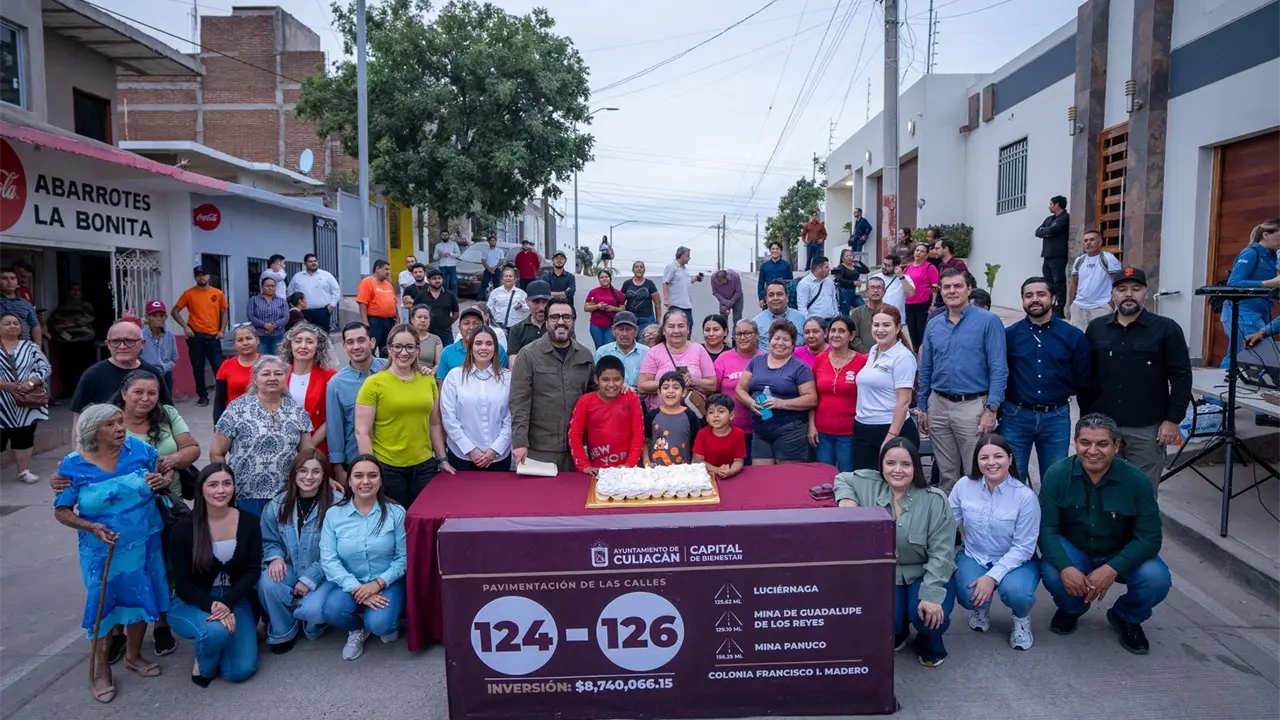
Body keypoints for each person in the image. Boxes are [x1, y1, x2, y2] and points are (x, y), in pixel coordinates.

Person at [53, 404, 169, 702]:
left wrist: (162, 481)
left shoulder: (141, 451)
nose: (120, 428)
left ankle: (133, 656)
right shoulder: (74, 464)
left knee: (143, 595)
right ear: (93, 431)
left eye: (120, 422)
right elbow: (62, 510)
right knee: (103, 604)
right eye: (111, 425)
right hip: (102, 550)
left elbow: (162, 478)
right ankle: (101, 668)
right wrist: (90, 526)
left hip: (145, 541)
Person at [1039, 414, 1171, 655]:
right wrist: (1067, 568)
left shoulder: (1137, 481)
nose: (1092, 451)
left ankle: (1127, 617)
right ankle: (1072, 608)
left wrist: (1113, 568)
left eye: (1102, 444)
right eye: (1085, 443)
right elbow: (1046, 530)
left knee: (1156, 578)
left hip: (1120, 551)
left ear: (1116, 446)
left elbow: (1150, 538)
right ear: (1075, 442)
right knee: (1052, 570)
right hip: (1076, 549)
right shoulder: (1057, 475)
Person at [835, 438, 956, 667]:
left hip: (924, 571)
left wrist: (931, 595)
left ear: (916, 467)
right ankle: (897, 634)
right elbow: (841, 478)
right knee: (883, 620)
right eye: (890, 463)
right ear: (882, 465)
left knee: (928, 617)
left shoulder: (934, 500)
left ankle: (929, 644)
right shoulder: (869, 483)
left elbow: (942, 554)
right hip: (887, 573)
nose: (897, 470)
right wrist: (846, 498)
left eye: (906, 464)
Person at [1080, 268, 1192, 491]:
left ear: (1146, 293)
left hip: (1147, 428)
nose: (1128, 294)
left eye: (1135, 289)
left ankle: (1139, 528)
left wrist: (1172, 420)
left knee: (1142, 492)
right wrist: (1086, 420)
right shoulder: (1096, 329)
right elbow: (1086, 377)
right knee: (1101, 487)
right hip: (1103, 427)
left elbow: (1181, 377)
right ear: (1113, 294)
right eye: (1122, 289)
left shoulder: (1166, 329)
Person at [168, 464, 262, 686]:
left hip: (235, 598)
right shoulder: (183, 528)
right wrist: (212, 605)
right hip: (194, 601)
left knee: (240, 671)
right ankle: (205, 661)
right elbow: (182, 584)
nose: (221, 490)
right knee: (215, 632)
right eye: (213, 485)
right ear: (201, 489)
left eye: (226, 483)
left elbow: (252, 571)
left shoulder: (249, 521)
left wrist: (227, 603)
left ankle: (230, 640)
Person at [917, 269, 1008, 491]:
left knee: (975, 472)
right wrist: (922, 406)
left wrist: (991, 409)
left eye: (958, 286)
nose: (952, 291)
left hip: (972, 408)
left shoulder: (988, 321)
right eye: (946, 287)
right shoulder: (934, 324)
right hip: (938, 405)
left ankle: (976, 526)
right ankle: (951, 525)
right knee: (947, 476)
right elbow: (926, 368)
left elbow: (999, 368)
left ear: (969, 289)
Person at [950, 434, 1040, 651]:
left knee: (1017, 593)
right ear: (976, 461)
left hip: (1015, 560)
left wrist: (991, 577)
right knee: (967, 594)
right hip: (975, 555)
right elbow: (947, 523)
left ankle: (1020, 618)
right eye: (984, 458)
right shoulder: (964, 485)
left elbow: (1024, 547)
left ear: (1010, 459)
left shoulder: (1025, 497)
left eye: (998, 456)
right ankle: (981, 606)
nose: (991, 463)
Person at [317, 455, 408, 661]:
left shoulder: (396, 513)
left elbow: (404, 557)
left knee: (381, 625)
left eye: (372, 476)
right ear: (349, 481)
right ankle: (357, 630)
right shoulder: (334, 515)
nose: (365, 481)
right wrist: (358, 588)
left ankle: (383, 622)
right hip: (351, 581)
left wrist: (377, 584)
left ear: (381, 480)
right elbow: (329, 560)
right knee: (331, 611)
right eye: (358, 476)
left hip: (387, 581)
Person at [1003, 277, 1090, 489]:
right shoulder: (1009, 336)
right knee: (1013, 478)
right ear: (1022, 300)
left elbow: (1083, 377)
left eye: (1041, 294)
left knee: (1056, 480)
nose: (1035, 300)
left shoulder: (1073, 336)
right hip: (1016, 416)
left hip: (1056, 417)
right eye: (1028, 295)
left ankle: (1049, 523)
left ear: (1053, 298)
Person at [356, 325, 453, 506]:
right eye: (398, 346)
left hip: (424, 466)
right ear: (390, 349)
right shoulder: (374, 383)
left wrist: (442, 459)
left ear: (417, 350)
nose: (403, 352)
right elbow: (362, 431)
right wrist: (370, 469)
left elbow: (434, 424)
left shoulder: (427, 380)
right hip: (388, 467)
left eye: (410, 347)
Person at [258, 449, 340, 654]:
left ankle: (314, 622)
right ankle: (283, 629)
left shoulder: (337, 504)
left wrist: (310, 579)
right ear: (294, 473)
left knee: (312, 610)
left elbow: (339, 551)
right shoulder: (277, 504)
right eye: (303, 471)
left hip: (325, 573)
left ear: (324, 476)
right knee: (268, 582)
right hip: (292, 566)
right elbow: (269, 539)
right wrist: (275, 557)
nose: (309, 477)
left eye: (316, 472)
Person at [211, 356, 313, 516]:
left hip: (285, 494)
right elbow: (217, 452)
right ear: (255, 379)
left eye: (278, 374)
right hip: (245, 494)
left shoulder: (296, 411)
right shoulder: (237, 408)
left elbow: (307, 455)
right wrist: (225, 485)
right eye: (266, 374)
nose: (272, 378)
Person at [510, 298, 597, 471]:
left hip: (576, 449)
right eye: (555, 317)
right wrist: (519, 442)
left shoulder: (585, 355)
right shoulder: (528, 355)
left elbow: (594, 398)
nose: (561, 322)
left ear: (573, 320)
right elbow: (519, 402)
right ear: (547, 320)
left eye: (566, 317)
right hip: (540, 449)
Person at [71, 322, 172, 443]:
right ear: (108, 344)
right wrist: (77, 457)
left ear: (142, 343)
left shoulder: (152, 373)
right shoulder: (93, 375)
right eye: (115, 341)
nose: (122, 346)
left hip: (149, 443)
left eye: (129, 341)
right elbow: (79, 421)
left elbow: (167, 413)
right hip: (105, 447)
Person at [736, 319, 817, 466]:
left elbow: (811, 399)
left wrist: (780, 403)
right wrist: (750, 402)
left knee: (786, 479)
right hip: (760, 430)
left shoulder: (800, 368)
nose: (780, 343)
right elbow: (740, 389)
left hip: (790, 431)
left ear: (793, 344)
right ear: (770, 340)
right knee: (761, 478)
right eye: (777, 338)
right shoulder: (756, 361)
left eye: (786, 339)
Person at [854, 306, 921, 470]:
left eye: (886, 325)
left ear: (898, 328)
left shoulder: (903, 357)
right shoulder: (873, 350)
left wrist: (891, 436)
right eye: (876, 325)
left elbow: (904, 401)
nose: (880, 330)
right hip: (863, 427)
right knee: (867, 484)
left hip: (889, 429)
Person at [440, 327, 513, 472]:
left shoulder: (507, 377)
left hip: (498, 456)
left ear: (496, 348)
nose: (484, 348)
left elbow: (511, 417)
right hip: (462, 456)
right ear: (471, 347)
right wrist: (470, 449)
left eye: (489, 343)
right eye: (478, 343)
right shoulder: (455, 376)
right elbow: (449, 417)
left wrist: (495, 449)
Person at [326, 323, 387, 486]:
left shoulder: (390, 370)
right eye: (350, 342)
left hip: (393, 459)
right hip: (357, 461)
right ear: (344, 346)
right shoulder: (336, 383)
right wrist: (338, 468)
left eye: (361, 340)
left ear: (372, 342)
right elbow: (335, 427)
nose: (356, 346)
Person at [568, 355, 644, 474]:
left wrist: (629, 464)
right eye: (605, 380)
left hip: (626, 470)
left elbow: (638, 433)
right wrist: (584, 465)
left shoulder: (631, 398)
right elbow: (574, 434)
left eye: (617, 379)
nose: (611, 384)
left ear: (623, 379)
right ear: (596, 379)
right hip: (596, 470)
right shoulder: (585, 401)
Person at [808, 316, 866, 473]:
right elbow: (813, 397)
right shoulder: (820, 359)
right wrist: (811, 426)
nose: (836, 335)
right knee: (824, 476)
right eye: (833, 330)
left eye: (842, 331)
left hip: (849, 433)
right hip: (822, 432)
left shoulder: (862, 361)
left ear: (852, 336)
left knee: (846, 476)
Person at [0, 312, 50, 483]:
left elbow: (45, 368)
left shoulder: (30, 347)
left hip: (26, 400)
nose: (12, 326)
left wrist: (30, 383)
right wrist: (4, 385)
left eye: (16, 323)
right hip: (2, 401)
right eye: (7, 323)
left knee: (25, 435)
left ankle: (23, 471)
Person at [638, 308, 717, 411]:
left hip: (693, 415)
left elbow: (712, 385)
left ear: (688, 329)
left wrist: (692, 381)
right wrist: (670, 383)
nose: (676, 331)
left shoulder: (699, 350)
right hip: (660, 415)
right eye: (671, 326)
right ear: (663, 330)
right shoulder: (654, 352)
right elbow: (642, 386)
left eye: (681, 326)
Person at [172, 265, 228, 408]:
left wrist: (222, 330)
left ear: (209, 276)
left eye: (204, 274)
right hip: (195, 336)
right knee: (198, 367)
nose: (201, 277)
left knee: (219, 367)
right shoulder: (189, 294)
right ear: (195, 277)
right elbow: (175, 311)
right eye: (198, 275)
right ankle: (202, 396)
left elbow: (224, 311)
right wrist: (185, 326)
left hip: (213, 336)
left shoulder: (218, 293)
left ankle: (224, 395)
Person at [279, 323, 336, 455]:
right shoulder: (279, 374)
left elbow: (332, 418)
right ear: (290, 345)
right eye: (298, 341)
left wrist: (307, 447)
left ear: (318, 346)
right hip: (283, 446)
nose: (303, 346)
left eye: (309, 341)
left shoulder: (330, 376)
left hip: (316, 447)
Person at [1230, 219, 1280, 361]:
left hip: (1263, 309)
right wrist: (1269, 283)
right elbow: (1233, 283)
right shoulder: (1250, 253)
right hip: (1244, 310)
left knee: (1237, 353)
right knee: (1259, 350)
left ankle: (1222, 379)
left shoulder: (1273, 257)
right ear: (1266, 235)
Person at [715, 320, 761, 460]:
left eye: (747, 333)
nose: (742, 337)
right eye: (739, 334)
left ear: (757, 335)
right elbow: (713, 389)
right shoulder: (724, 358)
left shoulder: (764, 359)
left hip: (757, 430)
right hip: (728, 429)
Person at [1066, 230, 1122, 331]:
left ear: (1100, 242)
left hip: (1101, 307)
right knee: (1079, 340)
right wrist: (1071, 305)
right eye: (1085, 240)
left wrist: (1111, 304)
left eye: (1092, 240)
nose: (1088, 243)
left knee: (1100, 339)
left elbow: (1118, 282)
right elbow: (1073, 283)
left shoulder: (1108, 258)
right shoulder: (1079, 260)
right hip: (1079, 307)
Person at [47, 283, 96, 396]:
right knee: (67, 368)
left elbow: (87, 319)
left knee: (84, 367)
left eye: (78, 290)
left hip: (84, 341)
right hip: (66, 343)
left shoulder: (86, 306)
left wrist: (67, 324)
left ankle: (85, 391)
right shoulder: (61, 308)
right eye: (73, 290)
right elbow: (56, 322)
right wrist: (72, 324)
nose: (75, 292)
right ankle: (68, 392)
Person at [436, 307, 510, 380]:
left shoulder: (496, 349)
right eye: (466, 323)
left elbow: (504, 378)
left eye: (476, 323)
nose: (471, 327)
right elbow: (442, 384)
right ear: (459, 328)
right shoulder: (447, 352)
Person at [645, 372, 702, 466]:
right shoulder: (652, 415)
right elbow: (645, 442)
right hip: (656, 472)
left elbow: (698, 444)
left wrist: (693, 466)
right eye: (665, 387)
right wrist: (646, 462)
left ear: (683, 392)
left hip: (683, 472)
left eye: (676, 387)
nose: (670, 391)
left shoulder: (690, 416)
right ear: (659, 392)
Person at [213, 325, 261, 422]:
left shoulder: (268, 364)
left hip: (263, 419)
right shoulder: (226, 365)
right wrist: (217, 426)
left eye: (249, 338)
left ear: (257, 340)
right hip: (234, 419)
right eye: (240, 340)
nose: (245, 343)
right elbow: (219, 400)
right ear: (234, 345)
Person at [694, 394, 746, 479]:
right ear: (707, 417)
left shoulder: (738, 433)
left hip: (731, 476)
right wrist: (717, 470)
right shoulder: (702, 433)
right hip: (707, 476)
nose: (715, 415)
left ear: (731, 415)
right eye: (711, 412)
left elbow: (739, 461)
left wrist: (731, 471)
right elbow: (699, 461)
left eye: (721, 411)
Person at [1035, 195, 1071, 317]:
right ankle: (1049, 305)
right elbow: (1038, 232)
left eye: (1051, 204)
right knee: (1048, 282)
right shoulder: (1049, 219)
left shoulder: (1065, 218)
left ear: (1057, 205)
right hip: (1047, 255)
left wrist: (1047, 231)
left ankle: (1059, 308)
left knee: (1059, 282)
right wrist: (1048, 231)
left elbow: (1052, 230)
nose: (1049, 207)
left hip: (1058, 255)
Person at [594, 311, 648, 389]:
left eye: (628, 329)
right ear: (613, 331)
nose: (624, 334)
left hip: (640, 397)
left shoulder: (647, 353)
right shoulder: (602, 352)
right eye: (621, 329)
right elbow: (596, 381)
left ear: (636, 331)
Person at [288, 253, 341, 332]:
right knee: (305, 334)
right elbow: (290, 291)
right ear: (305, 263)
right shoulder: (298, 276)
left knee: (323, 336)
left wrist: (332, 305)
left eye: (315, 261)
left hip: (322, 312)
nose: (314, 263)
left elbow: (336, 290)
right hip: (303, 312)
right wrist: (294, 307)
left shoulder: (326, 275)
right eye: (310, 261)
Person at [752, 281, 806, 352]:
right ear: (766, 299)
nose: (775, 298)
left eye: (779, 294)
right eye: (771, 295)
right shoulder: (756, 322)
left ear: (787, 297)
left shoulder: (801, 319)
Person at [357, 260, 399, 355]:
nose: (388, 272)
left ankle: (385, 367)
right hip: (375, 322)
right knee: (371, 347)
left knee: (387, 349)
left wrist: (398, 318)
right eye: (386, 269)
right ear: (377, 269)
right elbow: (362, 303)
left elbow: (394, 302)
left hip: (389, 321)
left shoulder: (388, 285)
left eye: (389, 269)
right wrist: (364, 322)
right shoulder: (367, 282)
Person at [904, 244, 940, 350]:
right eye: (917, 250)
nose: (918, 253)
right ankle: (916, 352)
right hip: (909, 303)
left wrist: (933, 303)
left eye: (922, 251)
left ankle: (923, 353)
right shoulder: (907, 268)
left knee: (922, 331)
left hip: (923, 303)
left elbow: (935, 286)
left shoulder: (930, 267)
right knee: (912, 330)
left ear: (927, 254)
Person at [412, 267, 460, 346]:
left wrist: (447, 323)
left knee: (448, 355)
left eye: (439, 278)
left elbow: (456, 314)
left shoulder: (450, 295)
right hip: (426, 333)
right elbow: (413, 313)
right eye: (434, 278)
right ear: (428, 280)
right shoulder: (421, 296)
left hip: (446, 334)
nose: (437, 280)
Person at [139, 301, 178, 393]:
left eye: (161, 316)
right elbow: (137, 356)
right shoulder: (140, 335)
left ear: (165, 317)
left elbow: (173, 356)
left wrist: (167, 366)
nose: (158, 319)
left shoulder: (170, 335)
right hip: (147, 375)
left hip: (166, 374)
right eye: (154, 316)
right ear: (147, 317)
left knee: (167, 403)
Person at [662, 246, 703, 329]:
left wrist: (696, 278)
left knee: (688, 326)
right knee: (677, 327)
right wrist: (666, 299)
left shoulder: (685, 269)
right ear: (682, 255)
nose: (689, 258)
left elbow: (686, 282)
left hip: (687, 303)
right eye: (688, 256)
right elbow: (665, 282)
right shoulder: (671, 266)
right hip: (676, 304)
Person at [247, 277, 289, 356]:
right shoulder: (254, 300)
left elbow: (286, 317)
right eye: (267, 286)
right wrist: (264, 325)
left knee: (277, 359)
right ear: (262, 287)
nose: (270, 288)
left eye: (272, 286)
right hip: (259, 336)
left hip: (277, 336)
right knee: (262, 360)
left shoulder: (281, 301)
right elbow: (251, 316)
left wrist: (273, 326)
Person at [585, 270, 626, 348]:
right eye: (602, 277)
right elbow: (586, 308)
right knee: (599, 347)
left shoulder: (617, 293)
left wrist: (613, 308)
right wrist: (597, 306)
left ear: (610, 278)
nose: (604, 279)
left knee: (609, 347)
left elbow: (623, 309)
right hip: (596, 325)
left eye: (606, 277)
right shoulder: (593, 292)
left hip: (611, 325)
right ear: (599, 279)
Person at [0, 268, 41, 343]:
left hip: (23, 346)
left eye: (12, 278)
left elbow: (35, 326)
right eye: (4, 278)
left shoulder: (26, 304)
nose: (9, 281)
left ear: (17, 283)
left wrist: (37, 349)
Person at [930, 238, 969, 316]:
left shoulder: (958, 264)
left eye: (937, 248)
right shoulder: (941, 266)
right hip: (942, 303)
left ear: (946, 249)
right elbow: (939, 286)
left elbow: (966, 283)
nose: (934, 251)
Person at [871, 253, 913, 321]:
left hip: (896, 317)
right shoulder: (876, 277)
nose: (884, 267)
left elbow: (911, 293)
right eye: (884, 264)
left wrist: (901, 277)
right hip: (878, 315)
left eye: (888, 265)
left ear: (896, 267)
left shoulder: (905, 278)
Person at [796, 255, 839, 321]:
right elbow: (802, 307)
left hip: (831, 321)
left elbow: (833, 300)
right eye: (826, 267)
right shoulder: (804, 284)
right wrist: (808, 323)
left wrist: (836, 318)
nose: (829, 269)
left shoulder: (829, 282)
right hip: (815, 323)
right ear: (818, 269)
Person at [622, 261, 662, 331]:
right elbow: (621, 301)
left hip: (647, 319)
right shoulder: (627, 284)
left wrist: (658, 319)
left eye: (641, 267)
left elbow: (657, 302)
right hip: (630, 318)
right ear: (633, 270)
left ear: (644, 270)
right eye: (636, 267)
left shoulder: (650, 283)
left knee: (646, 340)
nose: (639, 269)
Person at [851, 276, 886, 354]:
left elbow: (895, 336)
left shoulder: (891, 311)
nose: (875, 290)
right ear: (866, 292)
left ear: (884, 292)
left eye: (879, 287)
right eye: (872, 287)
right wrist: (867, 354)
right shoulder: (856, 313)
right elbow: (853, 337)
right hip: (863, 356)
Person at [488, 267, 530, 331]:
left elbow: (528, 310)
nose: (508, 278)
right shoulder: (495, 293)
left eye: (510, 276)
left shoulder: (522, 293)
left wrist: (521, 306)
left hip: (515, 327)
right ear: (502, 279)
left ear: (515, 279)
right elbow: (490, 309)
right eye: (506, 276)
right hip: (499, 326)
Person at [833, 249, 870, 316]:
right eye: (847, 256)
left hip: (856, 290)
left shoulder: (854, 267)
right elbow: (839, 279)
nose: (849, 257)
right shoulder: (840, 267)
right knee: (845, 312)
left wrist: (859, 262)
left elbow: (866, 270)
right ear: (842, 258)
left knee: (862, 307)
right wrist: (853, 282)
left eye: (850, 255)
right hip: (845, 291)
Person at [757, 244, 794, 310]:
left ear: (781, 251)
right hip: (769, 296)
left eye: (777, 249)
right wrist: (761, 298)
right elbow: (761, 283)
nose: (775, 251)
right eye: (773, 249)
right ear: (770, 251)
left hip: (781, 296)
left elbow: (791, 283)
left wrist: (788, 298)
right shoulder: (764, 266)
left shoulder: (786, 265)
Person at [408, 304, 444, 371]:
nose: (422, 320)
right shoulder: (405, 337)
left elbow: (439, 364)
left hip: (427, 375)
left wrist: (430, 373)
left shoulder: (436, 339)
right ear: (412, 320)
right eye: (419, 317)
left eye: (426, 317)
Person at [479, 234, 505, 301]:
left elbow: (501, 260)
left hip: (496, 269)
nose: (492, 242)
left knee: (497, 285)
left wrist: (495, 267)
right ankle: (481, 299)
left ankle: (498, 299)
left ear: (496, 242)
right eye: (491, 241)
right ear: (488, 242)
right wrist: (489, 268)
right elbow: (483, 260)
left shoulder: (499, 251)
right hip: (488, 269)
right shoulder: (485, 250)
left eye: (494, 240)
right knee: (484, 284)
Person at [397, 255, 419, 322]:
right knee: (406, 326)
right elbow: (405, 287)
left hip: (419, 305)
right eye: (408, 262)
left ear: (416, 262)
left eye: (412, 261)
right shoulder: (402, 274)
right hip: (406, 305)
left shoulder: (420, 274)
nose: (410, 264)